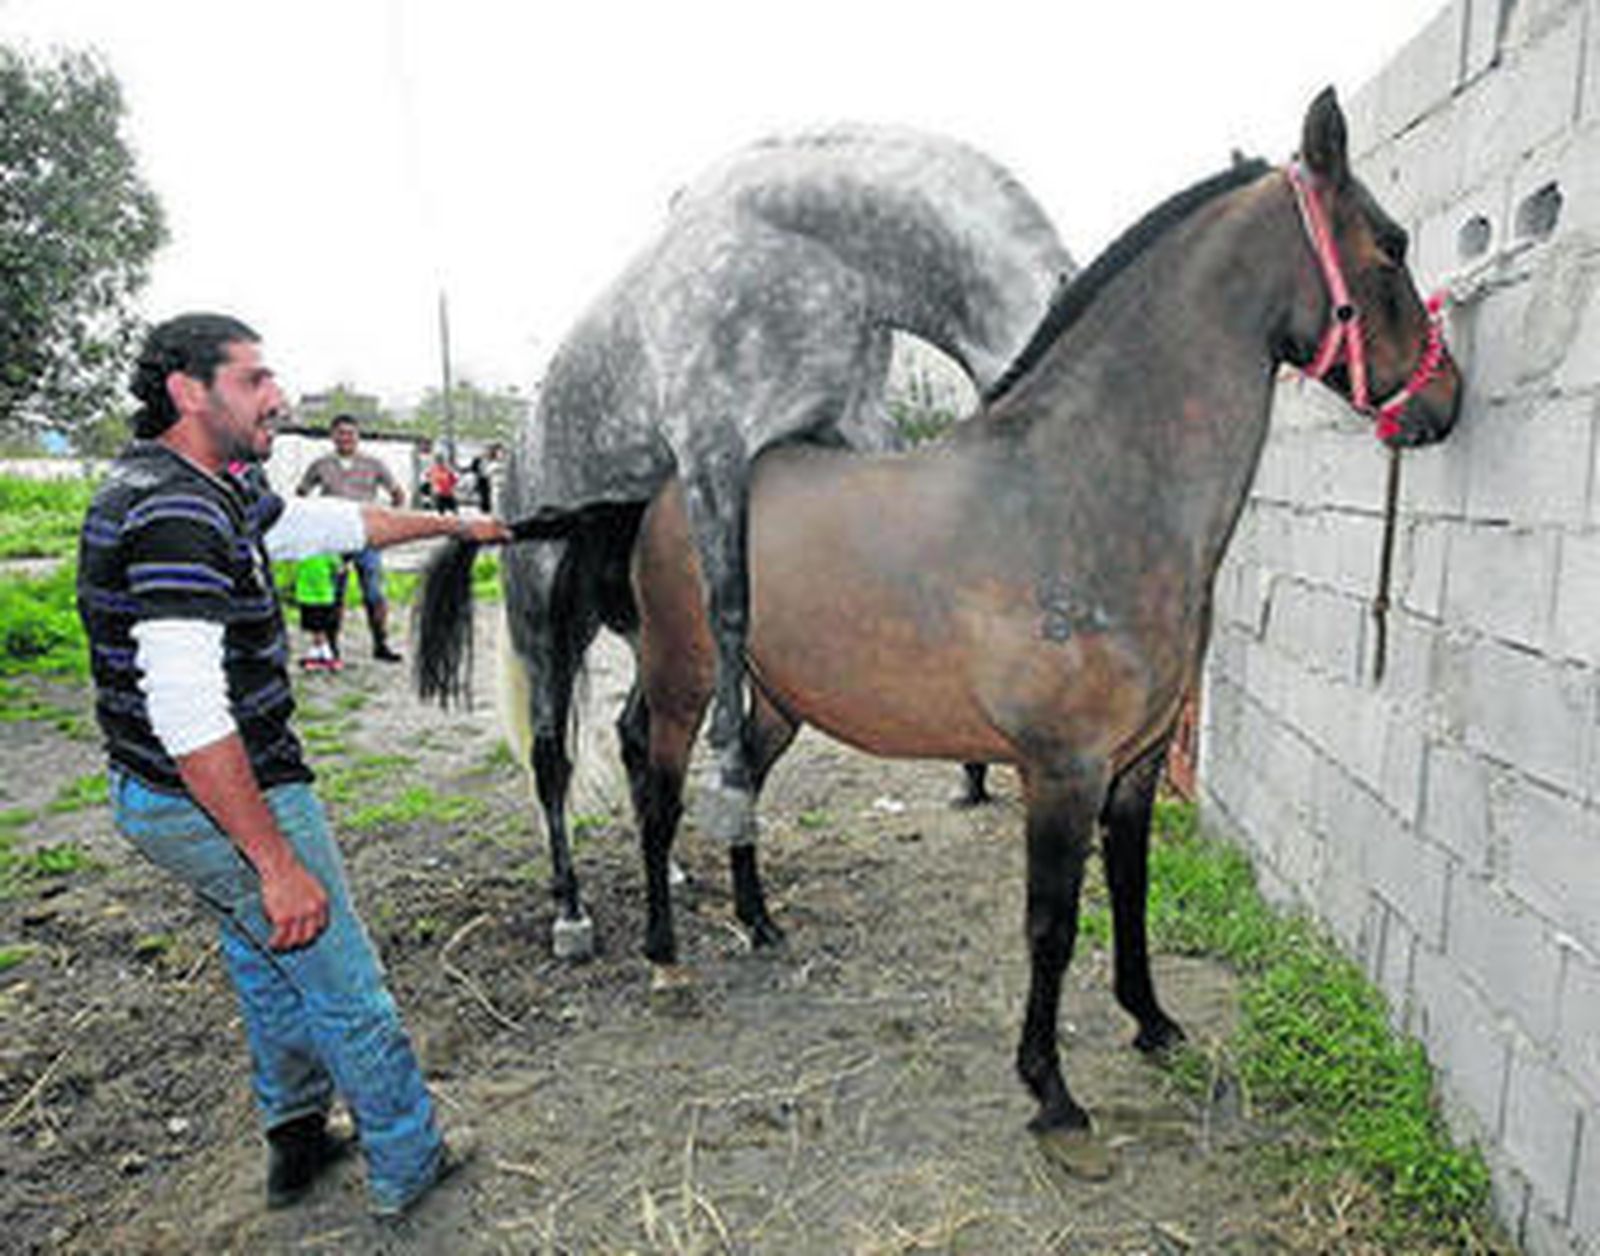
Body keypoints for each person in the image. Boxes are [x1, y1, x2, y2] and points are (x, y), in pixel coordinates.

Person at [77, 312, 510, 1219]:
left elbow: (321, 523)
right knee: (341, 976)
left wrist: (455, 525)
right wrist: (274, 861)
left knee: (266, 959)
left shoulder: (204, 486)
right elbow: (189, 714)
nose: (277, 397)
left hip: (160, 795)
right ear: (188, 391)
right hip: (220, 794)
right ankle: (408, 1159)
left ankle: (298, 1136)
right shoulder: (178, 514)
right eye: (253, 379)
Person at [296, 414, 405, 663]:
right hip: (334, 539)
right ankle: (332, 646)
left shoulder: (374, 464)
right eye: (341, 433)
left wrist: (388, 522)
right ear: (332, 436)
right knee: (334, 594)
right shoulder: (321, 464)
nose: (346, 438)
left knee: (374, 592)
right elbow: (301, 493)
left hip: (366, 536)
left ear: (358, 436)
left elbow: (397, 494)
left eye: (350, 433)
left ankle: (381, 644)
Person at [294, 552, 342, 672]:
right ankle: (322, 653)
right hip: (317, 596)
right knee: (317, 627)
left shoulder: (303, 553)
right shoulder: (325, 551)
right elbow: (338, 568)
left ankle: (322, 653)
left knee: (318, 627)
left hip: (314, 596)